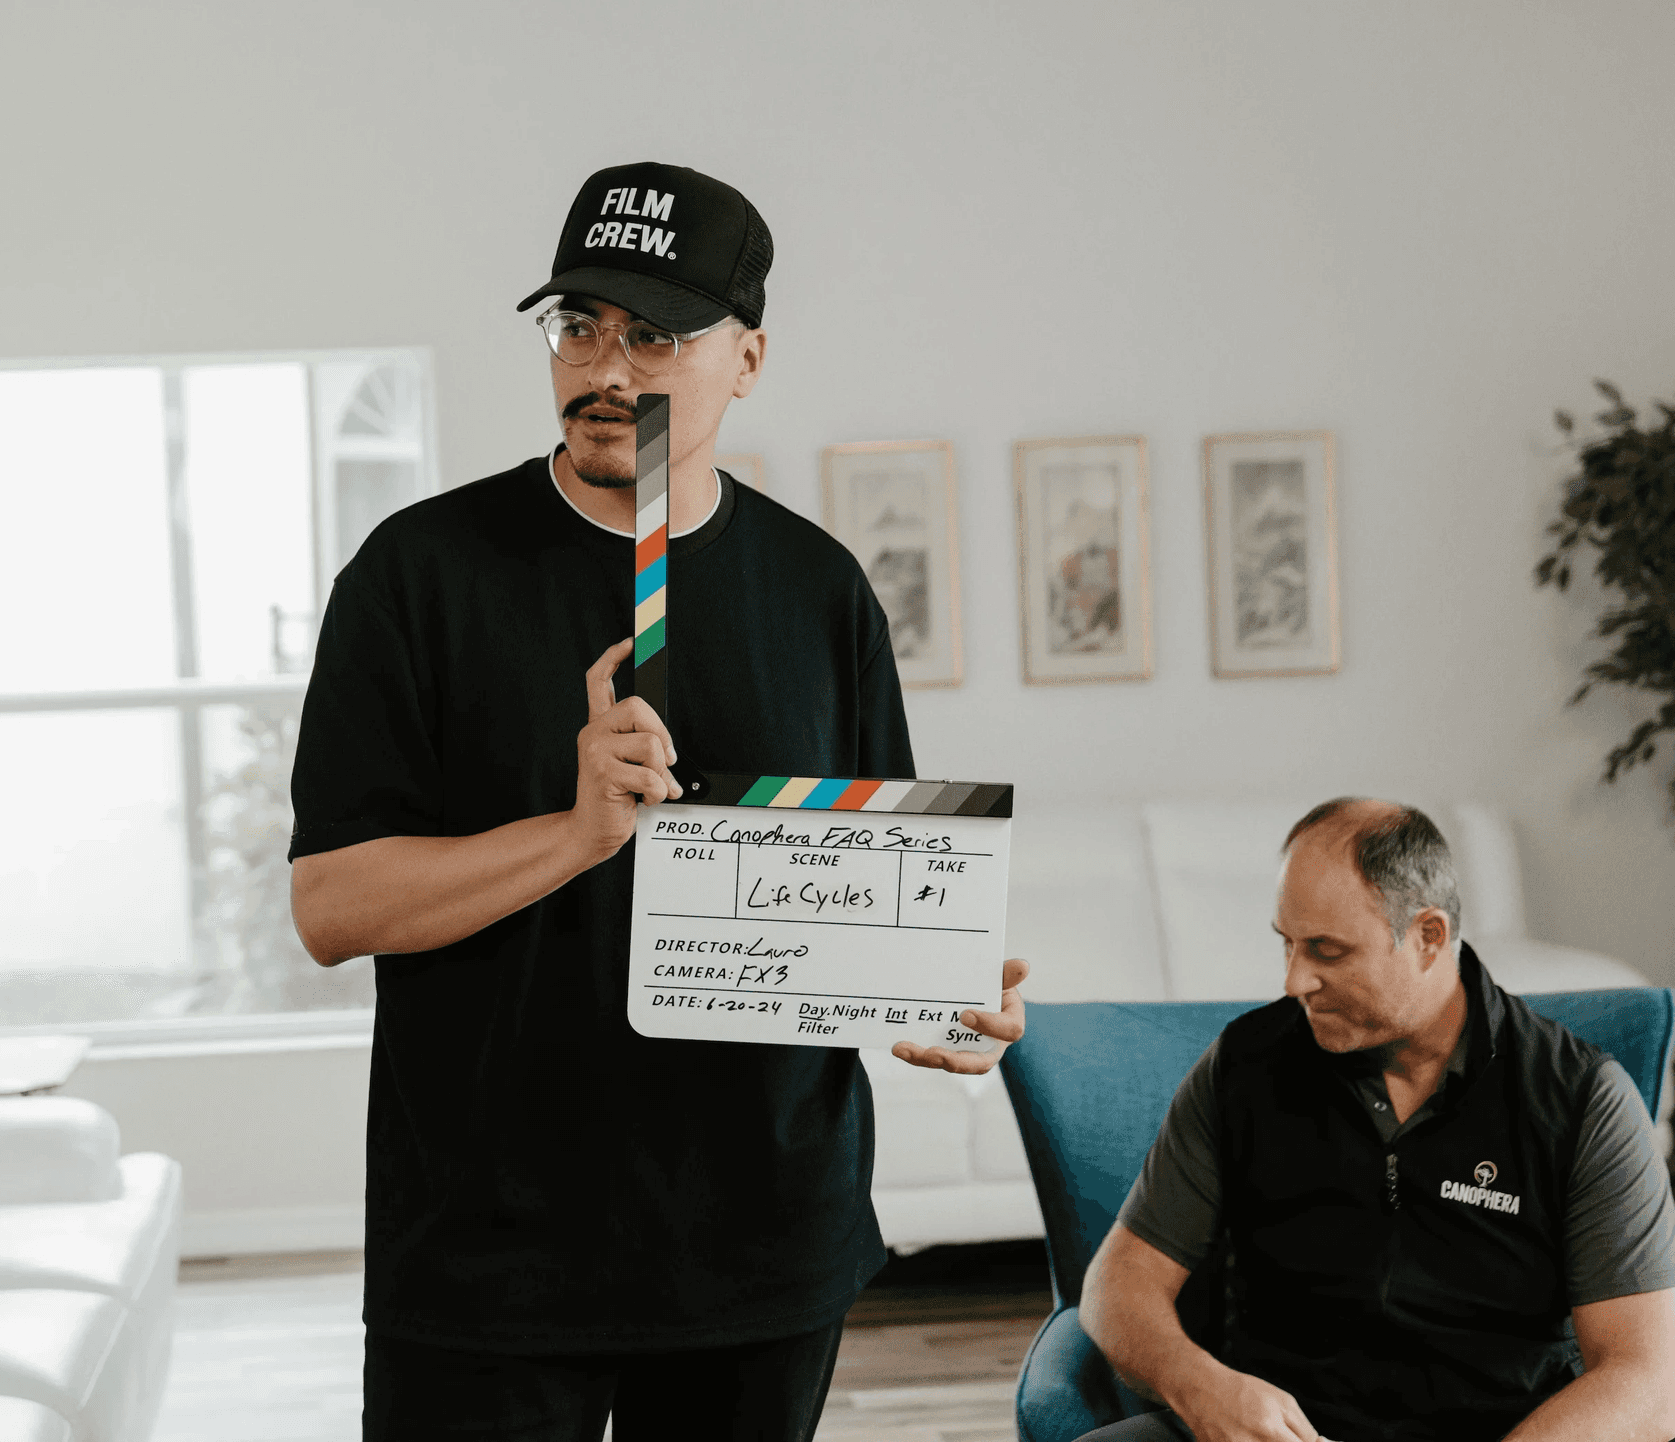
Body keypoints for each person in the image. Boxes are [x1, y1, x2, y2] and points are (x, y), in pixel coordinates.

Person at [286, 160, 1029, 1442]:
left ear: (746, 357)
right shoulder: (414, 575)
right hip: (486, 1255)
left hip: (760, 1245)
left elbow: (876, 897)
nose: (605, 369)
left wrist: (938, 1002)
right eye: (577, 324)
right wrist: (571, 833)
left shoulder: (819, 590)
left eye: (653, 334)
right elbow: (329, 905)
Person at [1077, 798, 1675, 1442]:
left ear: (1428, 937)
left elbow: (1646, 1379)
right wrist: (1201, 1387)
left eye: (1326, 952)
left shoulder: (1581, 1099)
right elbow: (1117, 1285)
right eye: (1287, 944)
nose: (1294, 981)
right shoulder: (1245, 1065)